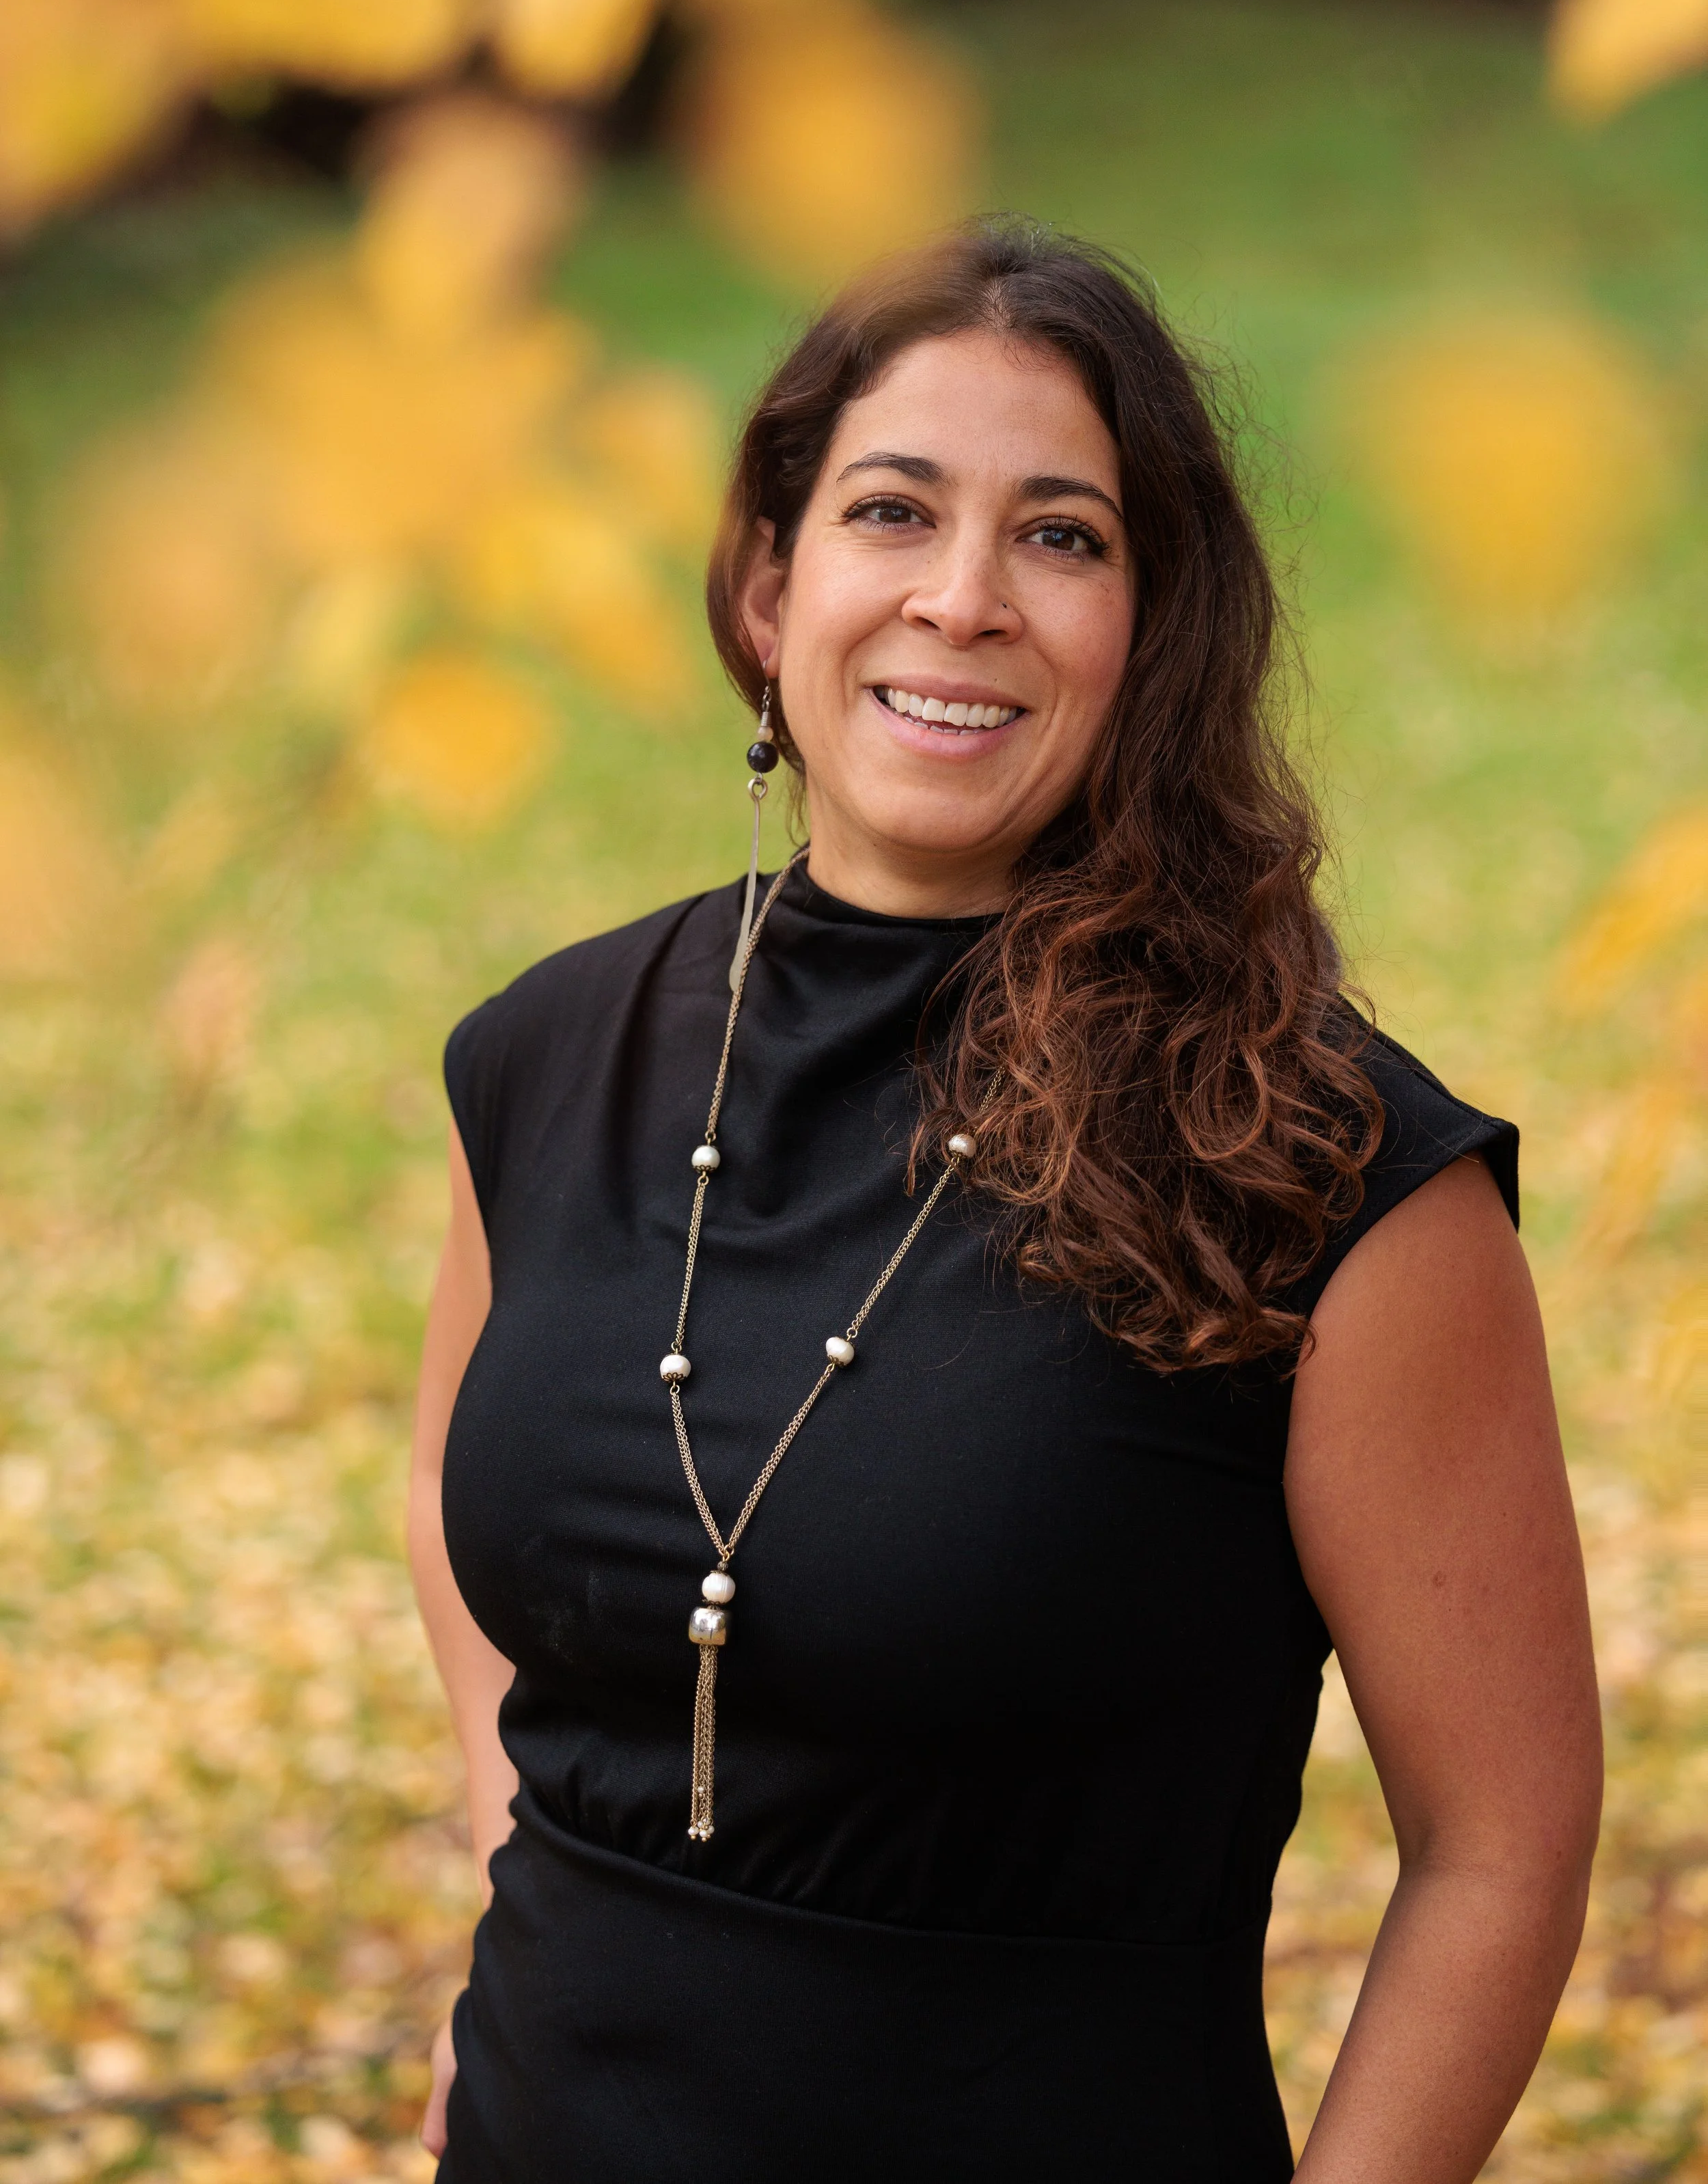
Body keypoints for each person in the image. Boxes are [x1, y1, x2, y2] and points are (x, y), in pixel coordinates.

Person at [408, 221, 1601, 2183]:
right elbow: (462, 1505)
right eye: (893, 510)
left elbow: (1502, 1843)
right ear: (772, 580)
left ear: (1155, 628)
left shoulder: (1316, 1173)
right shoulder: (549, 1055)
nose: (961, 599)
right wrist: (513, 1887)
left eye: (1061, 536)